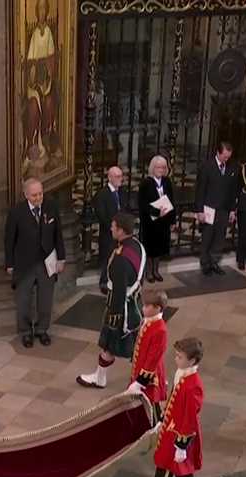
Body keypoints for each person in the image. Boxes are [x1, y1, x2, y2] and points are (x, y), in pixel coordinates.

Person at [131, 337, 205, 477]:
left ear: (192, 361)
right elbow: (174, 402)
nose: (176, 359)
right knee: (182, 470)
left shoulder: (192, 385)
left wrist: (181, 443)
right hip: (172, 427)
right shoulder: (183, 375)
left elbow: (189, 417)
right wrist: (163, 419)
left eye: (180, 357)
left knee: (164, 469)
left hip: (179, 434)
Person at [78, 212, 146, 388]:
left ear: (121, 231)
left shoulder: (121, 259)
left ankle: (140, 381)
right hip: (134, 301)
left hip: (120, 307)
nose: (110, 228)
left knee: (114, 343)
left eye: (113, 226)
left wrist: (114, 316)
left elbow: (118, 291)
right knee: (130, 345)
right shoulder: (137, 246)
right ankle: (101, 377)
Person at [5, 176, 64, 347]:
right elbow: (9, 240)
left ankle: (42, 330)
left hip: (47, 262)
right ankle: (25, 331)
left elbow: (57, 234)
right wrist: (9, 264)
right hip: (24, 264)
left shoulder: (51, 207)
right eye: (34, 195)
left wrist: (61, 258)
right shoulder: (16, 212)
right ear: (26, 195)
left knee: (45, 300)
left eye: (40, 194)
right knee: (23, 301)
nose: (38, 198)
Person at [195, 141, 237, 275]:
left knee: (220, 238)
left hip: (224, 209)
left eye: (228, 157)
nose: (227, 159)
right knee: (207, 237)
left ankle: (214, 262)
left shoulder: (231, 167)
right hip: (209, 209)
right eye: (225, 156)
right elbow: (200, 190)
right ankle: (205, 264)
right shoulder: (207, 167)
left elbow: (233, 190)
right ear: (218, 153)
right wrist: (199, 211)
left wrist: (232, 210)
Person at [125, 289, 169, 411]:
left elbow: (152, 359)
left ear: (158, 308)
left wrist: (140, 382)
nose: (143, 309)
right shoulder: (148, 321)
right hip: (140, 369)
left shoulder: (160, 330)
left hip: (149, 377)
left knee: (151, 406)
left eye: (147, 306)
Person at [92, 166, 129, 293]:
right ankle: (104, 282)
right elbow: (101, 215)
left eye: (121, 176)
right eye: (118, 177)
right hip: (109, 233)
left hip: (122, 233)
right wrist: (114, 228)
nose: (121, 179)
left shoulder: (122, 192)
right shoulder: (102, 194)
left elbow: (125, 210)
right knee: (107, 257)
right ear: (110, 177)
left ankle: (116, 280)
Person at [138, 155, 175, 283]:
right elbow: (142, 205)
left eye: (163, 167)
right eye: (159, 167)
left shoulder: (167, 182)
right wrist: (156, 212)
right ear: (153, 168)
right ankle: (149, 272)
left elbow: (172, 201)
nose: (161, 169)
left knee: (159, 247)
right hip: (150, 222)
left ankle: (156, 270)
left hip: (163, 222)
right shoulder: (145, 183)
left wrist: (172, 220)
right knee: (150, 247)